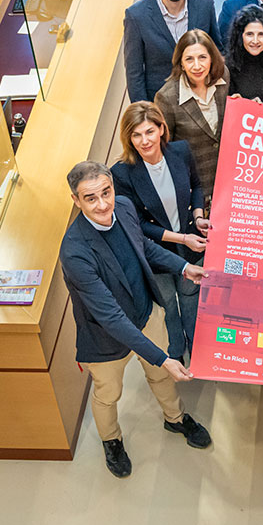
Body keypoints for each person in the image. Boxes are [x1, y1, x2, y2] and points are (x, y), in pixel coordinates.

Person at [59, 161, 212, 478]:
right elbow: (110, 315)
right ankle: (111, 442)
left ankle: (175, 418)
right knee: (107, 395)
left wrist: (183, 268)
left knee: (160, 377)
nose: (103, 204)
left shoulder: (125, 206)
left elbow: (144, 247)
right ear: (76, 200)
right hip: (105, 337)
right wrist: (161, 357)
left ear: (113, 186)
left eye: (106, 192)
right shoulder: (74, 251)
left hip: (146, 313)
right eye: (91, 198)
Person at [110, 102, 210, 362]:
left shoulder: (181, 151)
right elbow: (138, 223)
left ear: (161, 129)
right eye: (136, 135)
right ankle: (175, 351)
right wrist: (180, 238)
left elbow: (197, 186)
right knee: (168, 307)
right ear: (128, 138)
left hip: (191, 246)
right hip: (156, 254)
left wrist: (198, 216)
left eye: (149, 132)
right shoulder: (121, 173)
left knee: (190, 302)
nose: (144, 141)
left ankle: (197, 347)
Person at [123, 0, 222, 102]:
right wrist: (145, 116)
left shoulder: (204, 3)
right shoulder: (137, 16)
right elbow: (134, 73)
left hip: (202, 100)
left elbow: (217, 51)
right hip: (161, 105)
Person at [154, 30, 228, 205]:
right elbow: (165, 149)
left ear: (212, 58)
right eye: (189, 59)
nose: (197, 66)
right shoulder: (167, 97)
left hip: (228, 183)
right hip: (196, 191)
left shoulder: (224, 77)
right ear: (181, 62)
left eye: (202, 57)